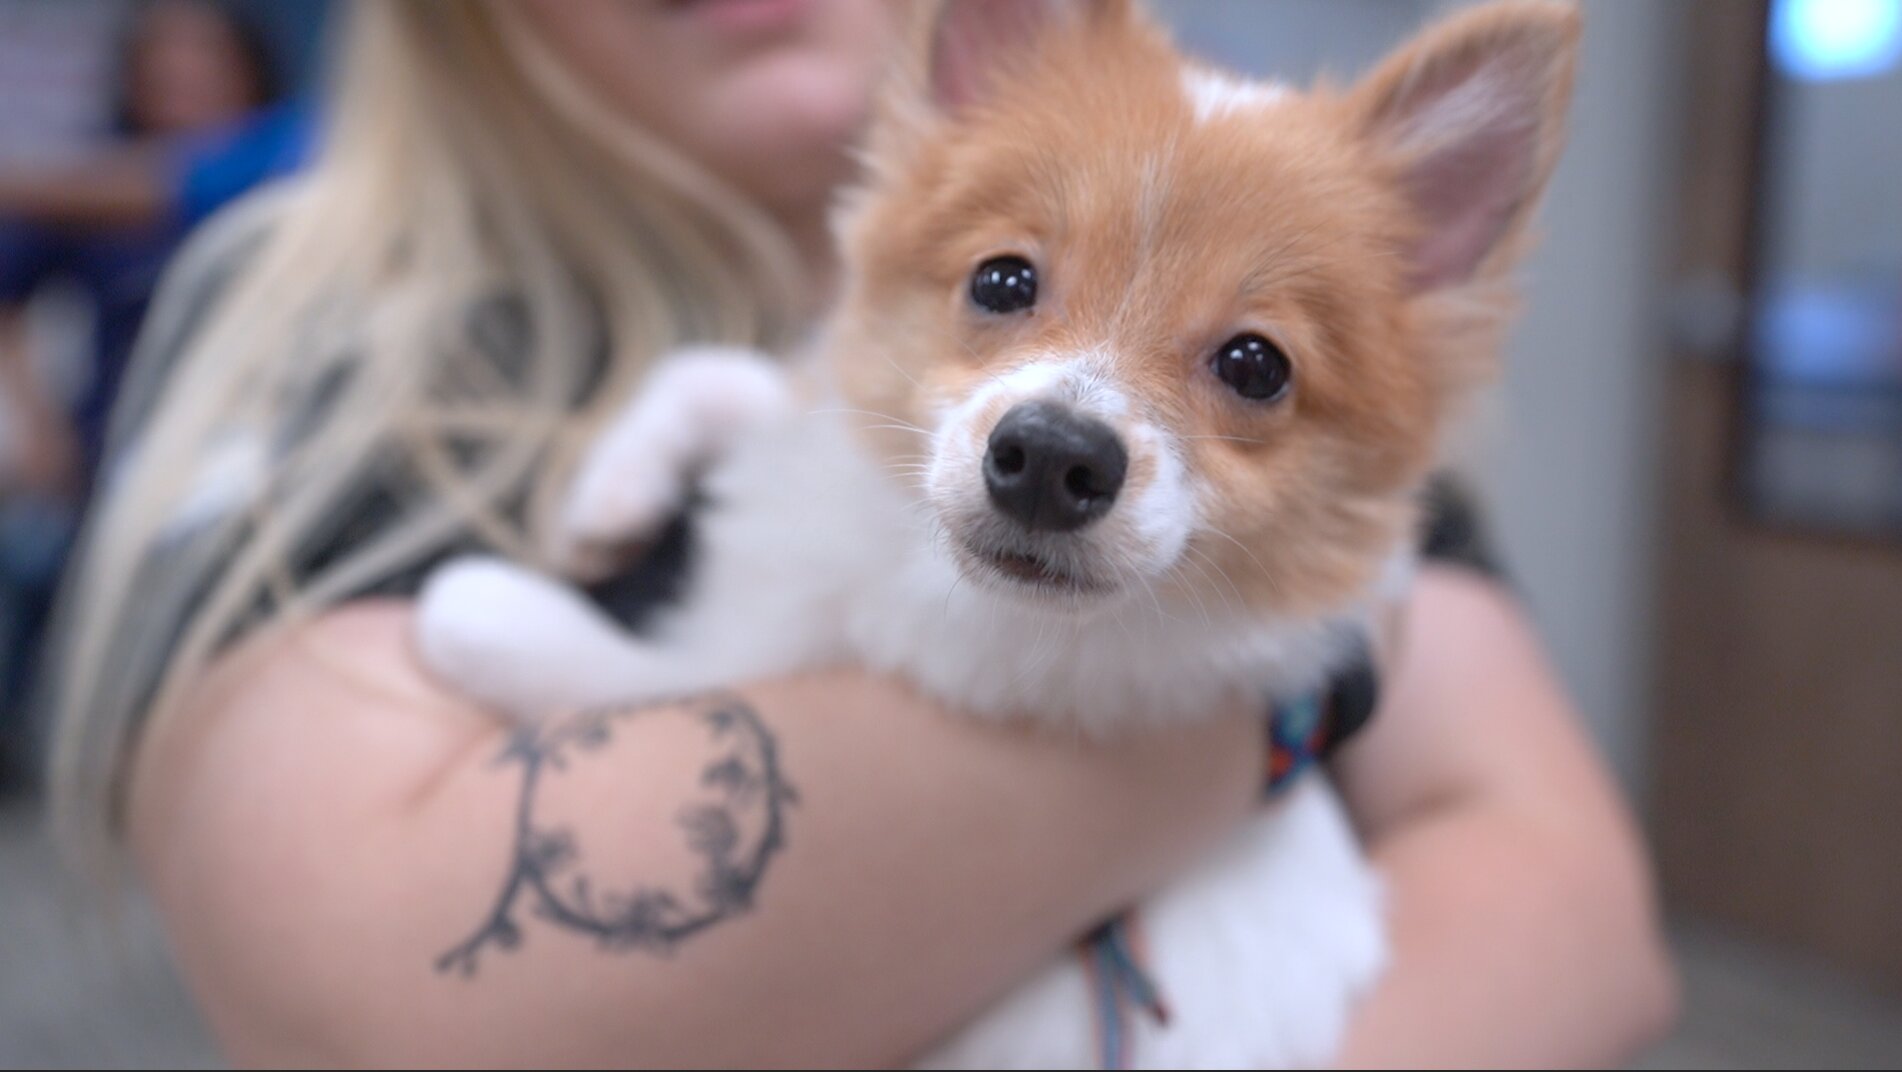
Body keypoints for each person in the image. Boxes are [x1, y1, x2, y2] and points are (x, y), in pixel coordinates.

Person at [50, 2, 1676, 1066]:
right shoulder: (328, 327)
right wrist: (1277, 698)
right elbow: (374, 993)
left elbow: (1578, 917)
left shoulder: (1343, 397)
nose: (1069, 431)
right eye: (1003, 283)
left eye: (1243, 367)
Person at [0, 0, 296, 782]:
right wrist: (33, 419)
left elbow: (164, 185)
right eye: (161, 64)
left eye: (201, 61)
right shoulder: (99, 165)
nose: (179, 80)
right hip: (117, 450)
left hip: (277, 457)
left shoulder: (294, 149)